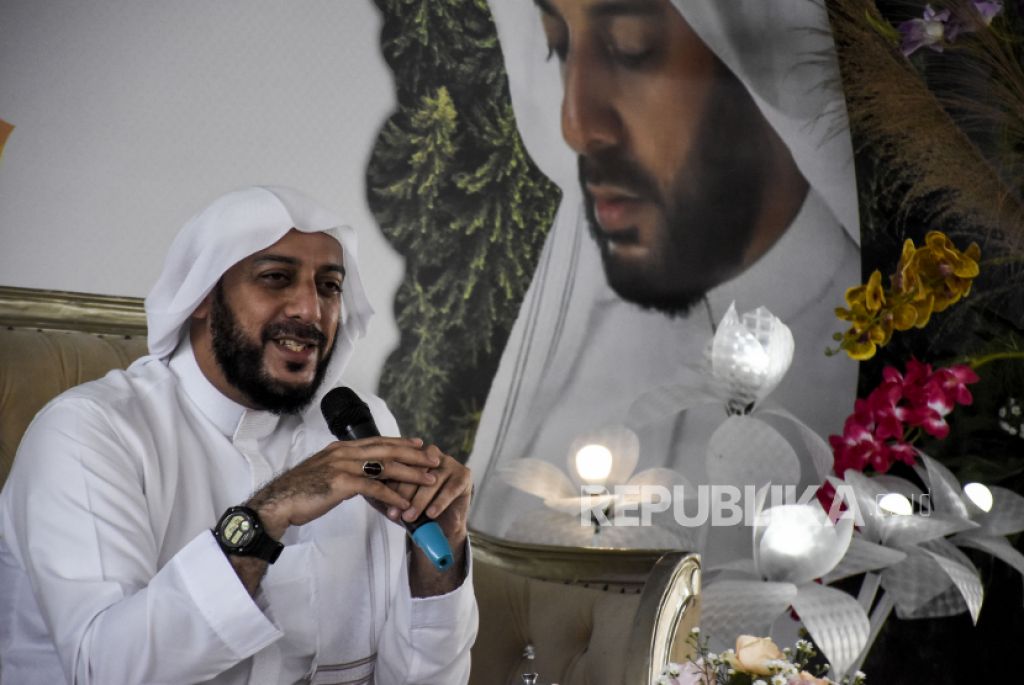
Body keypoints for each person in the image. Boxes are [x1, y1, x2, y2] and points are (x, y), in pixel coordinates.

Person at [0, 186, 478, 684]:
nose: (310, 310)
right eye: (276, 279)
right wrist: (267, 515)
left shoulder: (359, 427)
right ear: (203, 295)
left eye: (330, 286)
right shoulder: (91, 432)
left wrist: (437, 564)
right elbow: (106, 671)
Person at [469, 0, 862, 563]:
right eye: (557, 45)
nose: (576, 125)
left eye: (631, 49)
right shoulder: (578, 334)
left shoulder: (860, 365)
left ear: (754, 55)